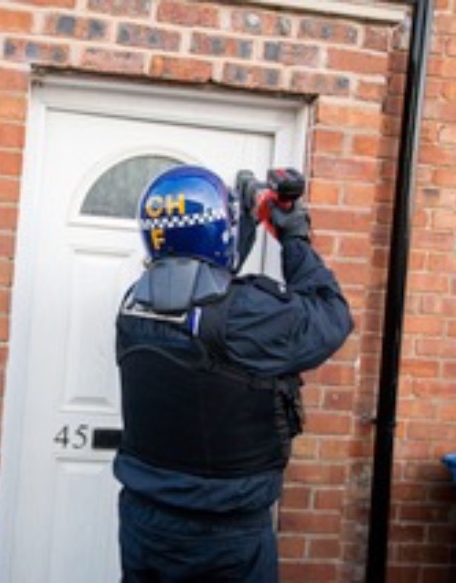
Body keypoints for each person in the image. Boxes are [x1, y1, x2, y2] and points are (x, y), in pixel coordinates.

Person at [114, 165, 353, 582]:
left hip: (144, 524)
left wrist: (245, 224)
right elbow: (331, 316)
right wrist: (293, 236)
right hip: (224, 536)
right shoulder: (247, 315)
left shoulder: (134, 304)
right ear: (217, 231)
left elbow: (210, 297)